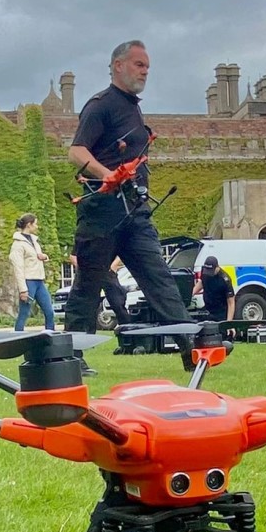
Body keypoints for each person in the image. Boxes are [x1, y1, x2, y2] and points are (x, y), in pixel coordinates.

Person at [64, 39, 193, 376]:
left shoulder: (132, 107)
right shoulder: (101, 104)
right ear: (118, 65)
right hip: (101, 214)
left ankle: (191, 348)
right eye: (139, 64)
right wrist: (107, 174)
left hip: (135, 213)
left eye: (147, 66)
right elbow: (76, 152)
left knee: (159, 278)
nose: (145, 71)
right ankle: (72, 357)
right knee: (88, 287)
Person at [10, 213, 56, 331]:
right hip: (28, 282)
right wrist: (23, 289)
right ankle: (17, 340)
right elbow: (18, 268)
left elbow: (35, 258)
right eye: (35, 224)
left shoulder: (34, 241)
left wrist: (44, 257)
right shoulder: (18, 245)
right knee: (24, 313)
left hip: (39, 281)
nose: (37, 226)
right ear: (29, 225)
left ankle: (50, 338)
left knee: (49, 312)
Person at [67, 253, 131, 328]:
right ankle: (88, 332)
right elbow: (72, 256)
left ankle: (127, 328)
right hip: (90, 274)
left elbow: (120, 254)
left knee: (118, 302)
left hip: (108, 272)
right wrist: (84, 270)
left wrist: (113, 266)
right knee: (89, 306)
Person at [194, 255, 235, 323]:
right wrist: (191, 293)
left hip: (220, 312)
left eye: (211, 271)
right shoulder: (205, 271)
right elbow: (202, 282)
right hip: (208, 308)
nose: (208, 273)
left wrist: (229, 323)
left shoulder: (225, 279)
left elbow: (231, 303)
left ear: (217, 268)